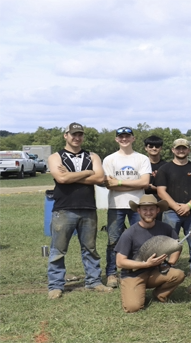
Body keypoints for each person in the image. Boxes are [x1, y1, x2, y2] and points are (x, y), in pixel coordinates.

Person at [47, 123, 112, 300]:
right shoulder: (55, 156)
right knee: (58, 250)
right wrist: (87, 172)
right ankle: (55, 285)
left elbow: (99, 178)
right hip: (63, 208)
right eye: (73, 134)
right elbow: (60, 178)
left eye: (80, 135)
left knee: (90, 248)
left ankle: (94, 281)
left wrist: (72, 175)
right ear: (65, 136)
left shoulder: (92, 156)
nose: (77, 138)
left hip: (88, 208)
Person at [114, 195, 186, 313]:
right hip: (133, 274)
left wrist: (171, 263)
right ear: (139, 211)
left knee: (179, 274)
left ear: (157, 210)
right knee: (133, 308)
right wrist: (145, 264)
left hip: (155, 271)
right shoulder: (129, 233)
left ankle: (160, 295)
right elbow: (120, 262)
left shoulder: (165, 228)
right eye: (145, 209)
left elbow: (178, 245)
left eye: (152, 209)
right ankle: (132, 289)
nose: (148, 212)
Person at [103, 126, 151, 288]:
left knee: (141, 239)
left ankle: (139, 270)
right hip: (115, 205)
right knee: (113, 240)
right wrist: (132, 185)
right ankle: (111, 273)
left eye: (127, 136)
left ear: (133, 138)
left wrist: (120, 182)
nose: (124, 139)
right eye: (121, 136)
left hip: (138, 205)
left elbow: (144, 182)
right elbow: (110, 185)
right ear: (116, 139)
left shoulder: (142, 159)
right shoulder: (109, 159)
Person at [155, 138, 191, 262]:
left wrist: (188, 206)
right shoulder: (165, 169)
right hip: (170, 212)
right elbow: (161, 191)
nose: (181, 151)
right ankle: (167, 268)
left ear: (189, 150)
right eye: (178, 148)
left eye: (184, 148)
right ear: (173, 150)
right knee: (168, 243)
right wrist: (176, 207)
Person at [143, 135, 167, 202]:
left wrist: (152, 188)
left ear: (161, 148)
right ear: (146, 148)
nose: (154, 148)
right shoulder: (141, 165)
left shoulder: (166, 166)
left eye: (157, 146)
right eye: (150, 146)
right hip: (143, 200)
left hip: (161, 201)